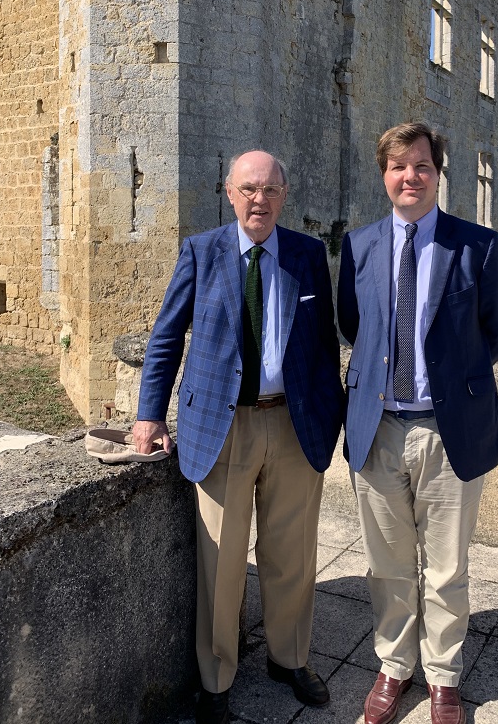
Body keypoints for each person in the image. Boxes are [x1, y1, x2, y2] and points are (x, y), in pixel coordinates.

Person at [133, 150, 345, 724]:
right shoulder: (202, 252)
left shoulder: (305, 254)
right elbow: (165, 337)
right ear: (229, 193)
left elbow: (324, 345)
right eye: (249, 189)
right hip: (222, 426)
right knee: (221, 561)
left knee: (292, 554)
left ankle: (290, 658)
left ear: (284, 195)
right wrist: (148, 414)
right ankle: (217, 678)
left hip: (293, 424)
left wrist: (333, 415)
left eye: (271, 190)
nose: (260, 200)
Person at [338, 123, 498, 724]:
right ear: (383, 175)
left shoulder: (478, 246)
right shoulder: (360, 246)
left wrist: (450, 384)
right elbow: (352, 325)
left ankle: (442, 676)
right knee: (387, 563)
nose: (408, 177)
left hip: (448, 430)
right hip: (378, 427)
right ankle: (394, 666)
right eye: (397, 167)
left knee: (446, 566)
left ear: (438, 175)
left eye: (420, 166)